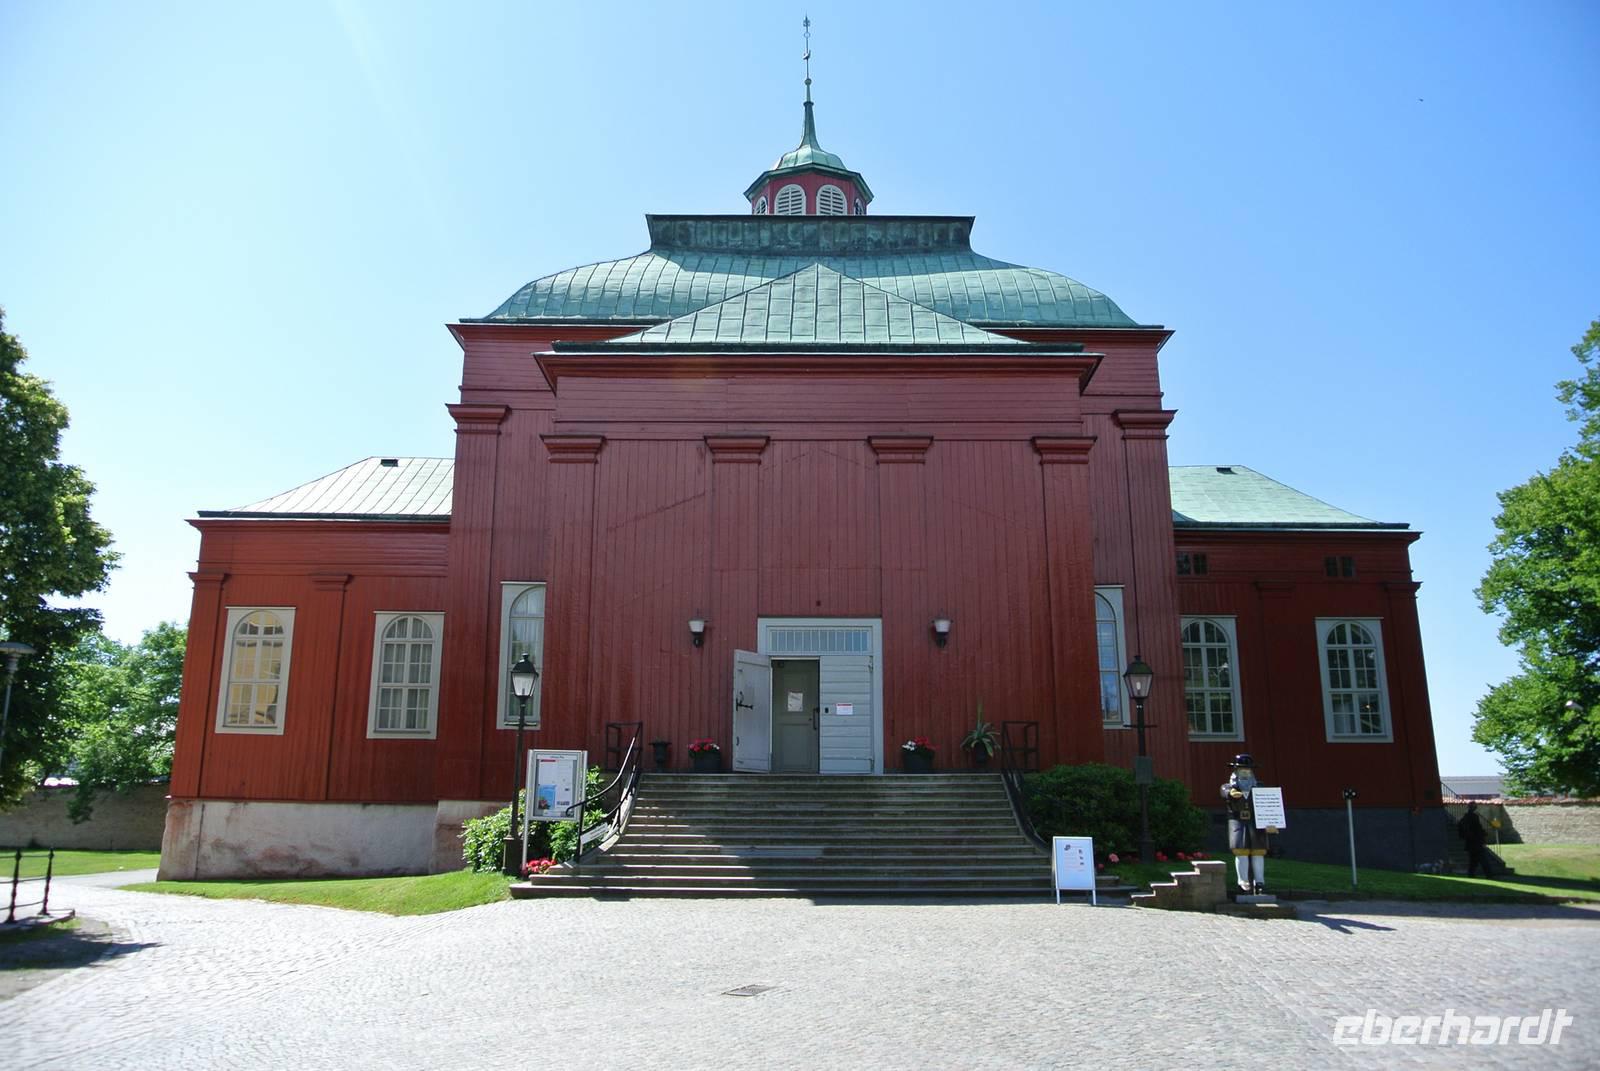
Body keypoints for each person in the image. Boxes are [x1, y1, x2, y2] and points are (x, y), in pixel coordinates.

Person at [1221, 754, 1269, 893]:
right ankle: (1243, 881)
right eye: (1242, 770)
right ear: (1235, 771)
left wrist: (1271, 822)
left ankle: (1260, 882)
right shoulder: (1230, 787)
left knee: (1258, 852)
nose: (1245, 773)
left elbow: (1268, 805)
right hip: (1237, 821)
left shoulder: (1259, 787)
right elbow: (1224, 791)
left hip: (1256, 822)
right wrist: (1231, 792)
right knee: (1241, 851)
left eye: (1247, 770)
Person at [1457, 801, 1491, 878]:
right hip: (1475, 841)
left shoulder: (1465, 817)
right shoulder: (1473, 817)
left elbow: (1462, 827)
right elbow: (1477, 828)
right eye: (1474, 806)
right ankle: (1488, 874)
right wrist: (1482, 835)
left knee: (1473, 860)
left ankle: (1471, 874)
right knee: (1482, 859)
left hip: (1471, 842)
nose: (1475, 808)